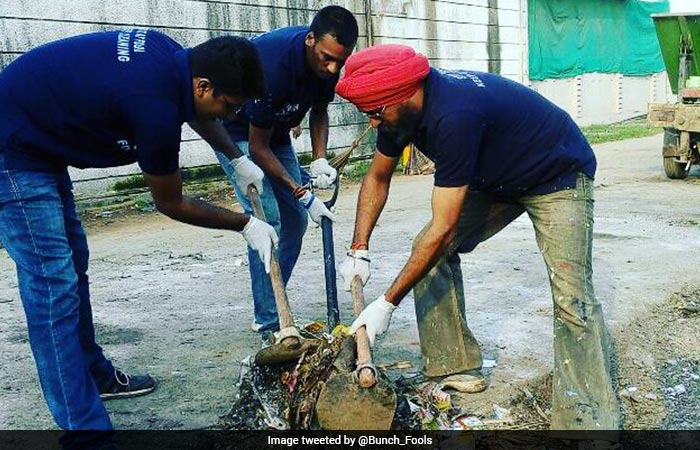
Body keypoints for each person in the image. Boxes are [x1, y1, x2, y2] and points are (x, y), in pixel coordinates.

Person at [0, 30, 277, 433]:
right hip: (11, 149)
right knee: (52, 286)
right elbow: (170, 202)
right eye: (229, 106)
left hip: (38, 140)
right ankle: (85, 430)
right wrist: (245, 223)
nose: (231, 117)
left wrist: (235, 158)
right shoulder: (154, 107)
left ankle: (93, 375)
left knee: (72, 266)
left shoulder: (175, 59)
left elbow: (198, 110)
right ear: (203, 86)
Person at [335, 44, 620, 430]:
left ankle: (589, 422)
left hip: (557, 174)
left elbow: (444, 227)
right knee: (428, 254)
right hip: (498, 177)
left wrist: (387, 303)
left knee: (572, 297)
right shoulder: (398, 114)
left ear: (405, 95)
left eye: (375, 112)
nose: (372, 122)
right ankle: (455, 364)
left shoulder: (454, 115)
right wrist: (359, 248)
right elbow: (377, 177)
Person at [212, 6, 358, 340]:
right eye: (326, 58)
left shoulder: (329, 60)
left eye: (340, 60)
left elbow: (319, 109)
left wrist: (320, 159)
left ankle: (276, 302)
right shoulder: (273, 67)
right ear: (309, 40)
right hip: (235, 133)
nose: (332, 67)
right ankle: (268, 320)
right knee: (268, 222)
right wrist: (302, 192)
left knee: (296, 221)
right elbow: (257, 148)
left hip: (272, 130)